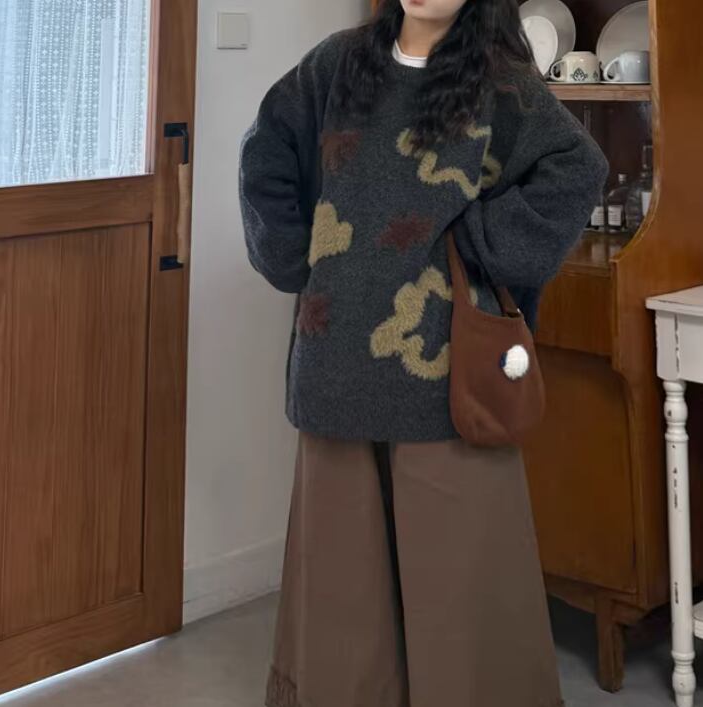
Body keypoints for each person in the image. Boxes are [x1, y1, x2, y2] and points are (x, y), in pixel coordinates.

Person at [238, 1, 608, 705]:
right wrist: (295, 258)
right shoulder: (337, 64)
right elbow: (266, 149)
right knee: (343, 600)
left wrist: (478, 244)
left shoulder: (499, 80)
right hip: (337, 365)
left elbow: (577, 167)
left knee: (459, 595)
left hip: (447, 377)